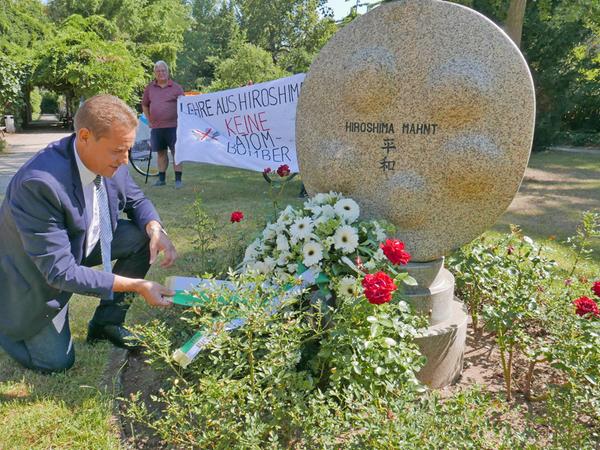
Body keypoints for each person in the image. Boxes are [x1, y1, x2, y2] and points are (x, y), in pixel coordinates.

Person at [0, 94, 177, 373]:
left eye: (127, 149)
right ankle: (8, 322)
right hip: (36, 277)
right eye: (118, 151)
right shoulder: (38, 184)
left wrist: (155, 227)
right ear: (84, 136)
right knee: (57, 363)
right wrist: (138, 286)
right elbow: (59, 272)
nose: (124, 160)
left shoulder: (111, 159)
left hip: (81, 244)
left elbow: (136, 200)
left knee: (142, 237)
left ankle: (106, 323)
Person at [142, 60, 185, 188]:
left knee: (176, 152)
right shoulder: (150, 88)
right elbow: (144, 104)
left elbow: (184, 106)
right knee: (161, 153)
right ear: (155, 73)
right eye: (158, 71)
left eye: (163, 70)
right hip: (157, 127)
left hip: (174, 126)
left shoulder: (176, 88)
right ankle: (161, 179)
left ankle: (178, 180)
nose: (161, 73)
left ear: (168, 72)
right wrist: (149, 120)